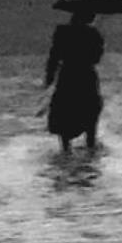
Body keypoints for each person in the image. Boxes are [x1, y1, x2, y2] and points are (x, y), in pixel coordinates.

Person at [44, 10, 104, 152]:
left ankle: (65, 150)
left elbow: (54, 56)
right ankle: (90, 146)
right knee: (90, 113)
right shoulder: (93, 34)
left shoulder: (62, 32)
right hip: (86, 76)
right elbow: (96, 58)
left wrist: (49, 76)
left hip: (68, 75)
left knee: (64, 112)